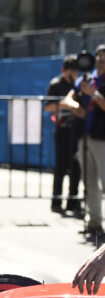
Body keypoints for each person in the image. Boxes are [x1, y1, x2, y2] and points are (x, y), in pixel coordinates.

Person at [61, 44, 105, 239]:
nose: (102, 58)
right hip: (84, 137)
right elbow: (66, 99)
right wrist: (74, 107)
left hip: (102, 138)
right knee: (89, 182)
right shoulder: (87, 78)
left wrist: (93, 94)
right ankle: (94, 223)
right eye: (99, 55)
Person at [45, 55, 82, 215]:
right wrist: (65, 103)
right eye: (70, 71)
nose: (73, 74)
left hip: (77, 129)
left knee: (77, 166)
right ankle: (56, 200)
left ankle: (73, 201)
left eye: (75, 71)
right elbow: (48, 106)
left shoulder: (80, 84)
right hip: (62, 129)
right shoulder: (56, 84)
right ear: (64, 70)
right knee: (61, 165)